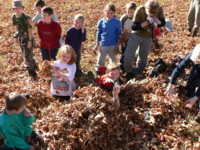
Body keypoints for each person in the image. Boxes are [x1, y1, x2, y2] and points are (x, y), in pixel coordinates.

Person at [124, 0, 165, 80]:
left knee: (143, 57)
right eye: (149, 13)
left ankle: (137, 73)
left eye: (153, 14)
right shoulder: (140, 10)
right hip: (136, 35)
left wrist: (159, 22)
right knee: (128, 55)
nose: (151, 15)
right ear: (146, 9)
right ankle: (129, 72)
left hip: (148, 37)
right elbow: (134, 27)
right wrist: (147, 22)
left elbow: (163, 22)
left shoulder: (159, 9)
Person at [165, 45, 200, 122]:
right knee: (191, 80)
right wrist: (171, 85)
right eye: (194, 60)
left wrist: (196, 97)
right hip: (197, 68)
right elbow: (178, 69)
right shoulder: (193, 54)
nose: (195, 62)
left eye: (197, 60)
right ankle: (190, 96)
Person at [11, 0, 37, 77]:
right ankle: (33, 64)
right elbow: (17, 27)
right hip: (21, 37)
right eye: (15, 8)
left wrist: (29, 40)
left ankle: (31, 71)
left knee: (27, 55)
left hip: (27, 37)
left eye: (19, 8)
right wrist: (16, 36)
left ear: (22, 8)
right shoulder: (14, 17)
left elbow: (29, 29)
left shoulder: (26, 17)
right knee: (25, 53)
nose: (17, 10)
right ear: (13, 9)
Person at [93, 3, 121, 72]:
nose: (109, 15)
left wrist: (118, 45)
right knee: (101, 60)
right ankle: (100, 72)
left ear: (114, 13)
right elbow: (99, 33)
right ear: (105, 12)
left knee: (113, 60)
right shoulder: (101, 21)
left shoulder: (117, 22)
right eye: (107, 13)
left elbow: (119, 34)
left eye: (111, 13)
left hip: (113, 44)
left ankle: (113, 72)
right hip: (103, 44)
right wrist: (97, 44)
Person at [120, 2, 137, 71]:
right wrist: (123, 34)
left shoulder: (136, 18)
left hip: (133, 37)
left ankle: (130, 66)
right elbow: (120, 27)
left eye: (132, 12)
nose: (130, 14)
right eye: (128, 12)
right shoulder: (124, 18)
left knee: (131, 53)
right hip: (124, 38)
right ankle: (122, 66)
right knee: (123, 52)